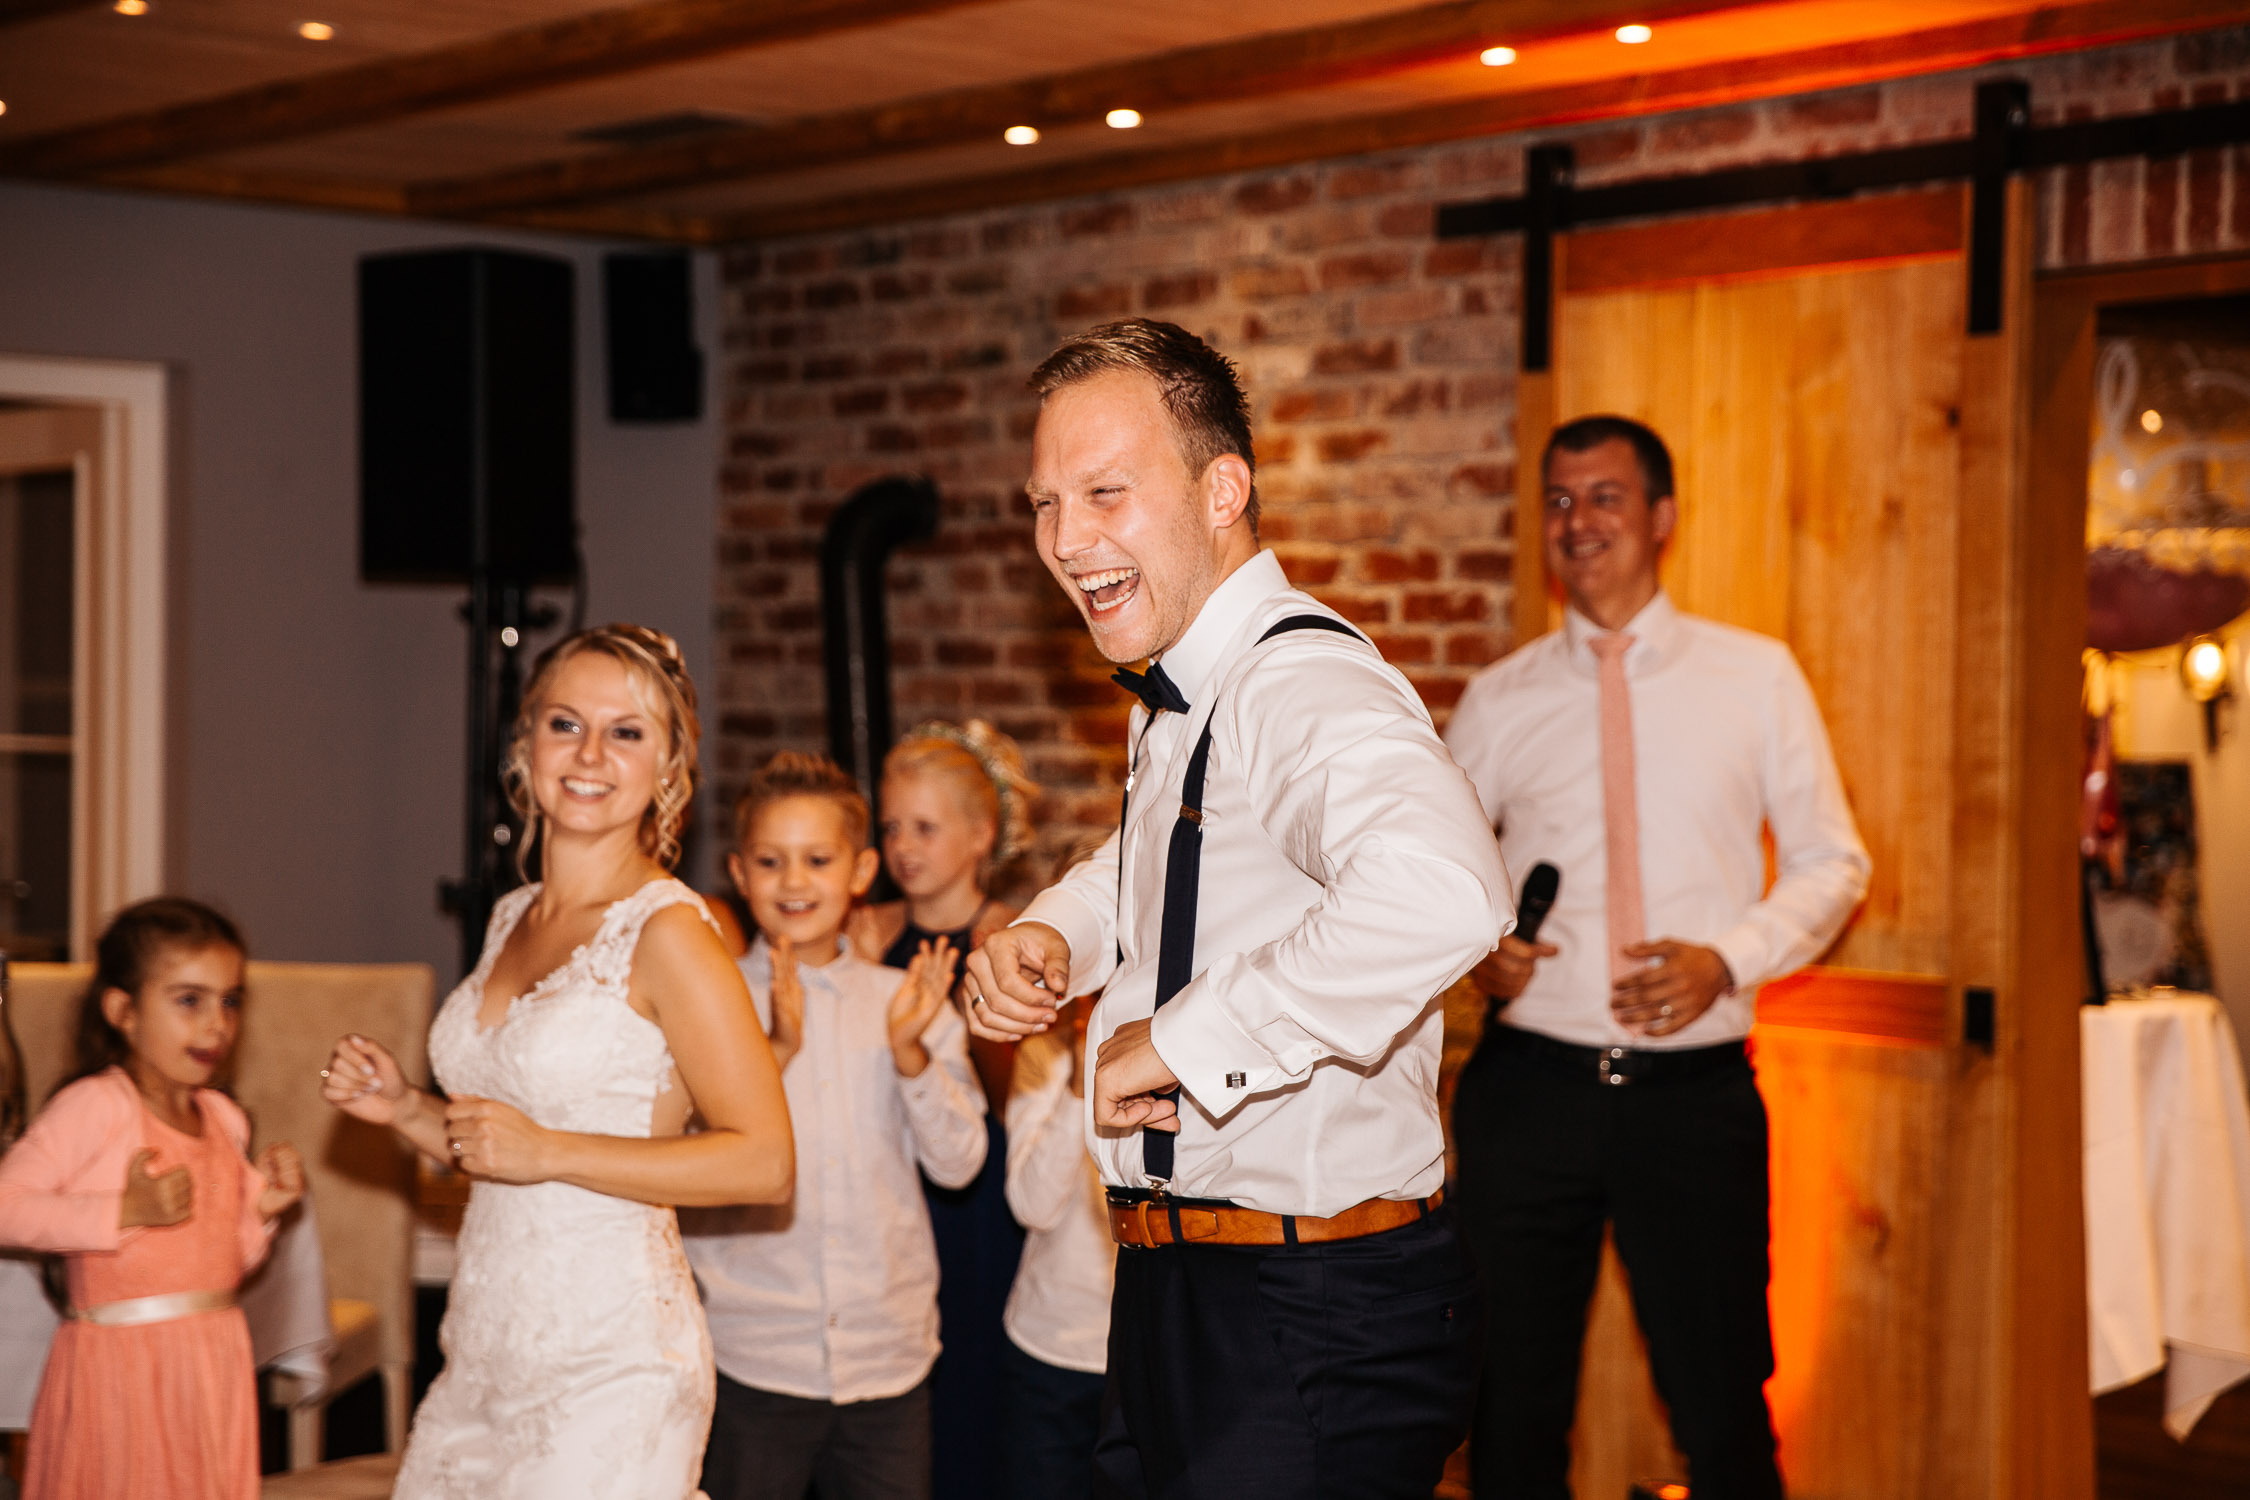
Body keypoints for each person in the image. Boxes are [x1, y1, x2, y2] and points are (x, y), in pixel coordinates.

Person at [962, 317, 1513, 1500]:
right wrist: (1061, 929)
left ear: (1224, 489)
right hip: (1186, 1293)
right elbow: (1171, 857)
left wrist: (1187, 1040)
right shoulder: (1185, 684)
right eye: (1045, 504)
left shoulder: (1297, 677)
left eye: (1105, 492)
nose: (1066, 539)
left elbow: (1447, 891)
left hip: (1308, 1309)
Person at [1443, 415, 1872, 1500]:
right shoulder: (1499, 698)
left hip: (1695, 1106)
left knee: (1724, 1405)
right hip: (1528, 1095)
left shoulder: (1757, 677)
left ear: (1663, 518)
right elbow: (1432, 878)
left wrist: (1728, 960)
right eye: (1557, 499)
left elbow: (1834, 862)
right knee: (1509, 1411)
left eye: (1605, 497)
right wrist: (1477, 948)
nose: (1576, 521)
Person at [322, 623, 794, 1500]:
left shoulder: (671, 934)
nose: (590, 755)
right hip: (484, 1353)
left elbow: (765, 1162)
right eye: (565, 724)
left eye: (627, 732)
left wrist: (553, 1150)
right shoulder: (511, 918)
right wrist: (406, 1109)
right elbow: (498, 1144)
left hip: (614, 1367)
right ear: (524, 745)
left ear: (670, 767)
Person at [685, 751, 989, 1500]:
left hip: (888, 1359)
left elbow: (960, 1165)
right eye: (771, 861)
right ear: (739, 872)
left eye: (817, 860)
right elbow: (684, 1167)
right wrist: (774, 1053)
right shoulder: (707, 1004)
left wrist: (912, 1052)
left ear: (859, 871)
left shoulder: (903, 1000)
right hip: (753, 1355)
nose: (794, 882)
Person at [0, 897, 305, 1500]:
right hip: (123, 1373)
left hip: (208, 1366)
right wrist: (122, 1211)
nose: (216, 1023)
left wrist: (261, 1214)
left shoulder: (222, 1118)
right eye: (189, 1000)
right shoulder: (98, 1105)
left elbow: (220, 1264)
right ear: (124, 1010)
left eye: (230, 1000)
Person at [849, 719, 1041, 1500]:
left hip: (978, 1204)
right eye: (892, 826)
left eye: (925, 827)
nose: (904, 846)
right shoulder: (864, 933)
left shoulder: (1009, 941)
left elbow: (1013, 1096)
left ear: (980, 835)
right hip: (888, 1185)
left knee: (969, 1385)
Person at [998, 994, 1114, 1500]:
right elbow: (1032, 1207)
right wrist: (1079, 1083)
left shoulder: (1185, 1053)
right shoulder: (1044, 1054)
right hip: (1049, 1347)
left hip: (1150, 1347)